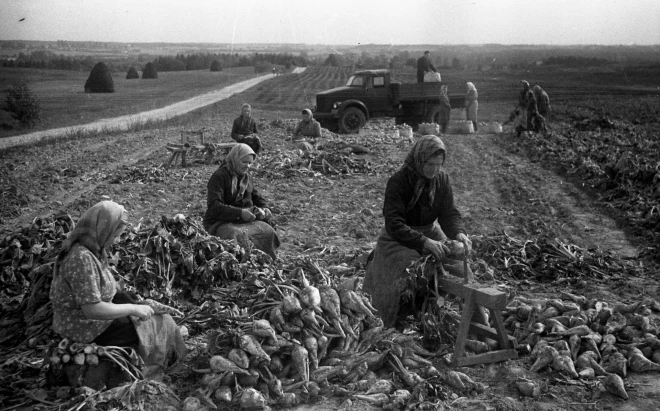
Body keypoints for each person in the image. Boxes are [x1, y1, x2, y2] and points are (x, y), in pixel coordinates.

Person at [49, 201, 186, 387]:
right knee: (155, 324)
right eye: (115, 234)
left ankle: (167, 361)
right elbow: (92, 309)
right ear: (103, 230)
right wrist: (133, 309)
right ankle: (152, 370)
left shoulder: (93, 251)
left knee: (157, 316)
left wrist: (141, 304)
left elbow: (108, 292)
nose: (116, 240)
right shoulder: (80, 258)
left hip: (93, 318)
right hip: (84, 327)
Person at [362, 135, 482, 329]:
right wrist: (423, 242)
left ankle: (472, 324)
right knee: (411, 272)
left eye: (438, 164)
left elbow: (449, 214)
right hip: (399, 238)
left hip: (430, 232)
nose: (434, 170)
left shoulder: (441, 180)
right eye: (430, 164)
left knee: (459, 267)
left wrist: (459, 234)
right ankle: (397, 322)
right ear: (419, 159)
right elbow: (394, 223)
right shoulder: (399, 182)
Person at [203, 143, 280, 260]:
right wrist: (240, 213)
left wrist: (265, 207)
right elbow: (214, 206)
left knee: (268, 231)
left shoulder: (246, 177)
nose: (248, 166)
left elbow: (256, 196)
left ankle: (263, 260)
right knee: (234, 235)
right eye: (244, 162)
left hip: (246, 220)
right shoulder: (219, 177)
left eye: (250, 163)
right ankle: (237, 264)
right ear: (235, 159)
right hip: (222, 221)